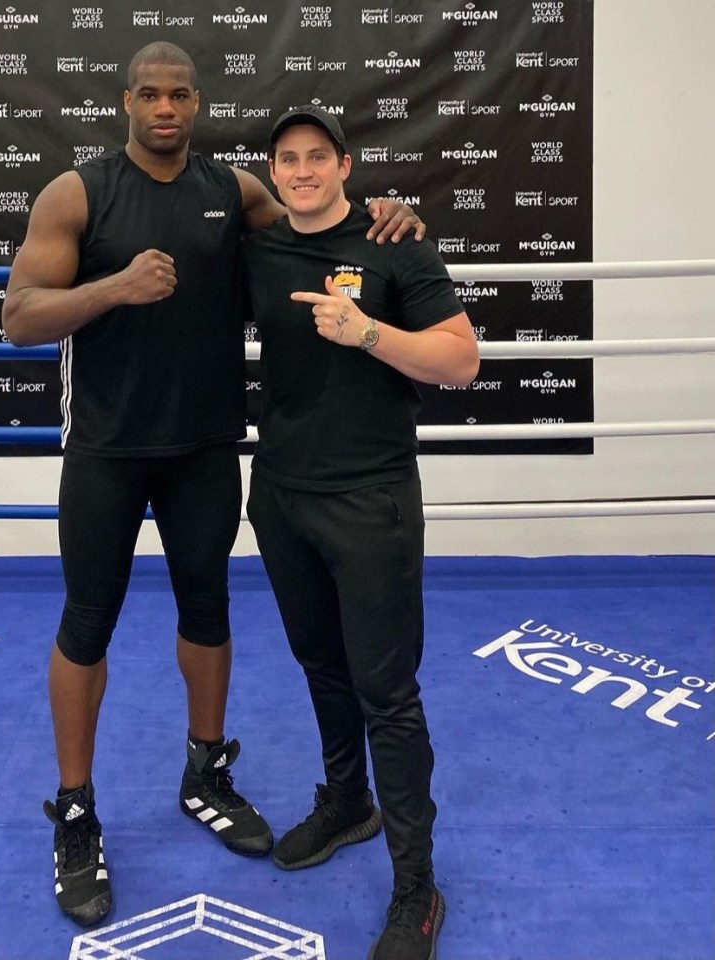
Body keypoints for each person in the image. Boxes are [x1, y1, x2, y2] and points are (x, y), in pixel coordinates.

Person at [1, 43, 423, 927]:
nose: (165, 106)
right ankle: (76, 811)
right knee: (88, 619)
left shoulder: (235, 190)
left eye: (180, 93)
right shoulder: (78, 192)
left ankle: (206, 770)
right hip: (107, 452)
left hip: (204, 450)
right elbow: (18, 316)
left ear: (198, 102)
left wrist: (386, 208)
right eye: (149, 93)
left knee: (208, 609)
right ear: (126, 101)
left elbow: (321, 221)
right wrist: (113, 286)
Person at [243, 105, 480, 960]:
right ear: (274, 172)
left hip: (371, 499)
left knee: (389, 692)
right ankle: (349, 801)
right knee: (321, 663)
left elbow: (460, 362)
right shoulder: (258, 245)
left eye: (316, 157)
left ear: (345, 165)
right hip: (279, 495)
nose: (301, 171)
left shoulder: (396, 243)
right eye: (287, 159)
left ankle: (417, 885)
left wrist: (370, 332)